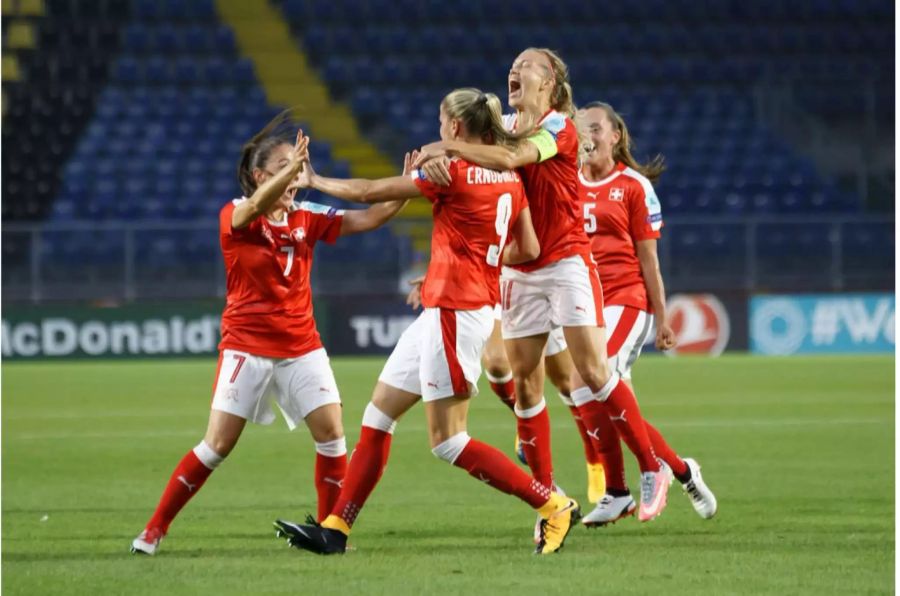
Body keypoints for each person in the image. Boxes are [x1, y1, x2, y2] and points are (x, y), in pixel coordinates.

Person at [273, 87, 581, 556]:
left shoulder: (451, 170)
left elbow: (370, 192)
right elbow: (530, 249)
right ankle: (337, 529)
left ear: (455, 128)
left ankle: (552, 504)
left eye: (441, 123)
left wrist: (314, 178)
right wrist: (469, 263)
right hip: (454, 306)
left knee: (448, 441)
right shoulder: (509, 177)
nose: (439, 132)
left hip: (457, 314)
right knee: (378, 414)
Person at [130, 114, 411, 555]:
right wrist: (282, 178)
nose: (296, 175)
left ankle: (331, 532)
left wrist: (406, 186)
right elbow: (255, 207)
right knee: (218, 444)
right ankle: (154, 528)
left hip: (302, 345)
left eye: (298, 167)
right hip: (247, 345)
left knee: (332, 433)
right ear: (261, 176)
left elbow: (370, 217)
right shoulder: (235, 213)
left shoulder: (307, 215)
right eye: (286, 166)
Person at [413, 48, 670, 522]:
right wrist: (439, 165)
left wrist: (447, 148)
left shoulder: (558, 128)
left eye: (527, 65)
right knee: (526, 386)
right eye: (512, 64)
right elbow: (479, 165)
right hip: (520, 270)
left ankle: (653, 468)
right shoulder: (504, 124)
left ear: (549, 82)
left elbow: (514, 158)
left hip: (568, 259)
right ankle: (549, 498)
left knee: (592, 371)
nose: (515, 69)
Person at [574, 102, 717, 525]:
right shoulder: (569, 182)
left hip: (626, 300)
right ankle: (678, 471)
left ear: (615, 135)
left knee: (592, 377)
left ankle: (650, 471)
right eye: (582, 130)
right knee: (605, 403)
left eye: (596, 129)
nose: (588, 138)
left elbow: (649, 259)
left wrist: (663, 318)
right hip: (587, 306)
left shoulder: (633, 186)